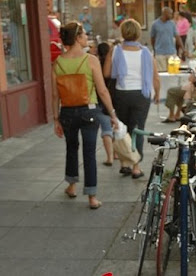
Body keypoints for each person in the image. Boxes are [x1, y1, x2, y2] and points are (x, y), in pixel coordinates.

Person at [52, 21, 118, 209]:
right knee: (89, 153)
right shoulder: (90, 60)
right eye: (84, 35)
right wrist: (112, 113)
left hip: (66, 111)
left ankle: (72, 186)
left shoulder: (57, 63)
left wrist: (55, 119)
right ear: (78, 38)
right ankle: (91, 197)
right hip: (89, 110)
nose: (86, 38)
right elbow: (102, 90)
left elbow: (54, 95)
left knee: (71, 148)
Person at [104, 18, 160, 178]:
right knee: (138, 129)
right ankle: (136, 166)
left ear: (123, 33)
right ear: (137, 33)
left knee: (122, 128)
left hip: (121, 93)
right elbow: (155, 77)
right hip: (141, 95)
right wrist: (157, 93)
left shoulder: (115, 50)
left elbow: (106, 73)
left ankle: (124, 164)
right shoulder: (146, 52)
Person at [162, 39, 196, 123]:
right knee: (181, 91)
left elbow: (191, 79)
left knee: (172, 91)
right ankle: (178, 113)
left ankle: (172, 115)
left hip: (195, 89)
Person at [150, 7, 185, 71]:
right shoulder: (155, 24)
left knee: (173, 72)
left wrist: (183, 48)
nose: (171, 16)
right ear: (164, 13)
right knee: (162, 73)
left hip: (171, 52)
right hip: (160, 54)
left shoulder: (172, 24)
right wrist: (154, 49)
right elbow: (152, 38)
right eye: (170, 14)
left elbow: (177, 37)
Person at [97, 42, 115, 167]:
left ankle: (109, 157)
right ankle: (116, 153)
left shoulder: (96, 65)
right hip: (114, 99)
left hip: (100, 101)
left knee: (106, 129)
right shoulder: (112, 66)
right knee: (115, 127)